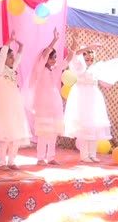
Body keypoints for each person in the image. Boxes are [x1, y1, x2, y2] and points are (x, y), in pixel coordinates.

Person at [64, 41, 118, 163]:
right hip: (82, 97)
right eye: (86, 55)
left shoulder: (96, 67)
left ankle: (92, 154)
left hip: (93, 97)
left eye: (91, 54)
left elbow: (112, 63)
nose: (89, 57)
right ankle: (84, 155)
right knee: (84, 126)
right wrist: (88, 47)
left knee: (94, 125)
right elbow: (74, 55)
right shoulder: (78, 67)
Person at [29, 28, 78, 165]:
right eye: (51, 57)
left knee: (53, 131)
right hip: (43, 102)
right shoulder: (40, 68)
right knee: (44, 131)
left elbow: (68, 59)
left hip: (54, 102)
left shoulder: (56, 69)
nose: (53, 60)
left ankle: (51, 157)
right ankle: (40, 157)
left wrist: (74, 43)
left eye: (55, 57)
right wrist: (55, 40)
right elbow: (44, 55)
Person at [0, 31, 31, 171]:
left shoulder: (12, 70)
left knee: (15, 134)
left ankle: (12, 161)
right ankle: (2, 162)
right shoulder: (0, 71)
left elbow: (18, 59)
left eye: (12, 57)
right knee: (5, 134)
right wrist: (8, 43)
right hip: (3, 105)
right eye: (9, 57)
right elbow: (1, 58)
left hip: (15, 105)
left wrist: (21, 48)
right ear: (3, 58)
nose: (12, 59)